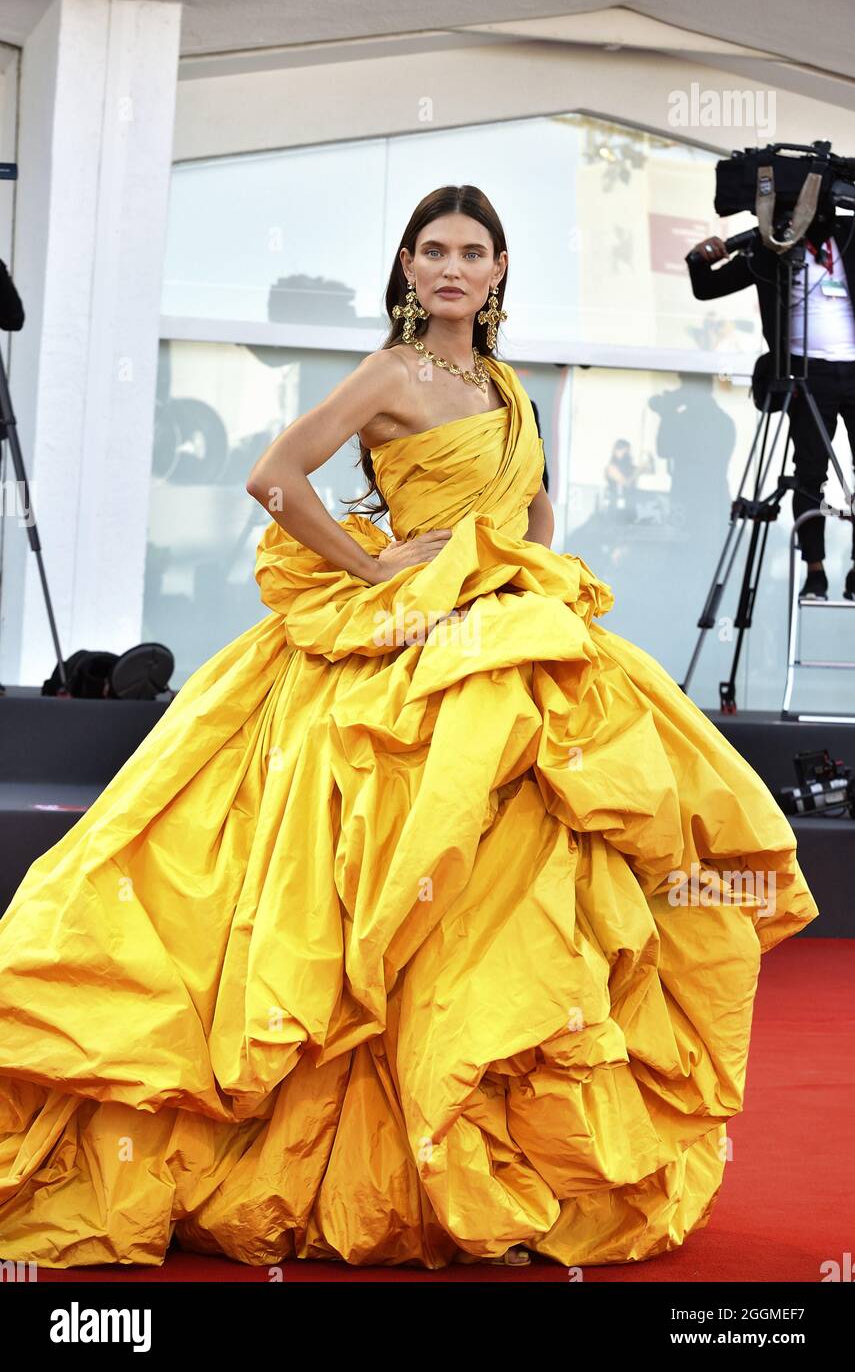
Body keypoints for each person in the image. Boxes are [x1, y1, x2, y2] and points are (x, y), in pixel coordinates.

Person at [0, 186, 818, 1273]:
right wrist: (375, 562)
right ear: (407, 267)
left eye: (469, 252)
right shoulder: (391, 374)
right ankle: (395, 1147)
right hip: (409, 642)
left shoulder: (510, 385)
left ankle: (498, 1163)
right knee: (384, 868)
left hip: (514, 631)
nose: (448, 267)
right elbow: (273, 477)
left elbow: (534, 515)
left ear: (496, 273)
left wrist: (535, 585)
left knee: (524, 883)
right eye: (431, 250)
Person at [687, 207, 855, 600]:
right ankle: (815, 570)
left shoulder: (848, 236)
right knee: (809, 472)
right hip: (806, 372)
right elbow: (708, 287)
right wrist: (698, 260)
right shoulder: (772, 247)